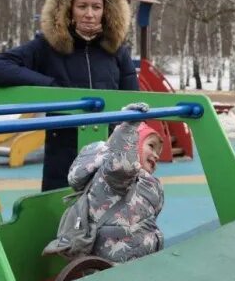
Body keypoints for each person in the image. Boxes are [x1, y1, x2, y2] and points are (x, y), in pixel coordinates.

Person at [0, 0, 139, 191]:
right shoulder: (49, 47)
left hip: (109, 153)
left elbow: (133, 101)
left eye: (96, 7)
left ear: (106, 11)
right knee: (62, 218)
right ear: (69, 9)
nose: (89, 13)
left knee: (110, 220)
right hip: (63, 155)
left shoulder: (116, 50)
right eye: (82, 6)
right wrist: (50, 87)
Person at [64, 103, 164, 263]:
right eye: (151, 146)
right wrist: (128, 127)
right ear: (132, 144)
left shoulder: (149, 183)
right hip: (111, 260)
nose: (156, 155)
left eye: (158, 151)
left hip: (139, 257)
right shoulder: (113, 177)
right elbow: (123, 164)